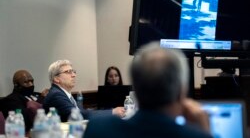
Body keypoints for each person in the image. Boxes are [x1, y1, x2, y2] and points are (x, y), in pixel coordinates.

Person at [84, 42, 212, 138]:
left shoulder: (98, 128)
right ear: (182, 91)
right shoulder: (194, 135)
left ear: (136, 89)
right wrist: (204, 132)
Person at [43, 60, 125, 122]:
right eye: (68, 72)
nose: (74, 75)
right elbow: (78, 115)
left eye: (73, 72)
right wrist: (112, 112)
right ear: (56, 79)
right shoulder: (56, 95)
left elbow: (82, 112)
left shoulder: (63, 93)